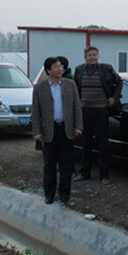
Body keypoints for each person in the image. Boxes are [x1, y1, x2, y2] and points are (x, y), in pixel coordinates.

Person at [32, 57, 83, 205]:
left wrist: (78, 126)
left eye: (61, 66)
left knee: (66, 165)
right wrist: (37, 131)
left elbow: (77, 107)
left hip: (66, 129)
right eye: (56, 67)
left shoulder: (70, 84)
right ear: (48, 70)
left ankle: (64, 194)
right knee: (49, 165)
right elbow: (36, 112)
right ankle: (49, 194)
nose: (60, 69)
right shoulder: (39, 88)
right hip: (49, 130)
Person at [73, 46, 123, 185]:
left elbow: (119, 82)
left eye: (95, 55)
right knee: (86, 143)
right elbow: (75, 88)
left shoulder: (106, 69)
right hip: (84, 111)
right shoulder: (79, 70)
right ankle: (84, 172)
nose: (92, 57)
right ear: (85, 57)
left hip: (101, 111)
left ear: (98, 56)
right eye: (90, 55)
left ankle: (104, 175)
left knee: (103, 144)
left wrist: (114, 98)